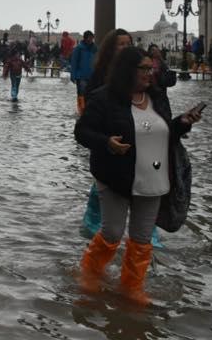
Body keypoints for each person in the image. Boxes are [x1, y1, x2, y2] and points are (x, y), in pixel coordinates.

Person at [75, 47, 202, 305]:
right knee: (112, 232)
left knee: (142, 239)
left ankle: (132, 288)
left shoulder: (155, 97)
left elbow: (164, 132)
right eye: (144, 68)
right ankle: (90, 273)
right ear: (128, 71)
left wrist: (182, 123)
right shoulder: (103, 98)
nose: (150, 73)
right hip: (115, 177)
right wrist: (106, 142)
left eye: (150, 68)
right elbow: (82, 132)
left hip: (152, 179)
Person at [70, 30, 97, 114]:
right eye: (90, 38)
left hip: (91, 76)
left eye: (92, 38)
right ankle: (81, 110)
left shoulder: (95, 48)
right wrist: (73, 75)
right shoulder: (78, 48)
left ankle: (88, 109)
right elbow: (74, 62)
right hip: (80, 76)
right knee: (81, 94)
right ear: (85, 38)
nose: (91, 40)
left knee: (90, 94)